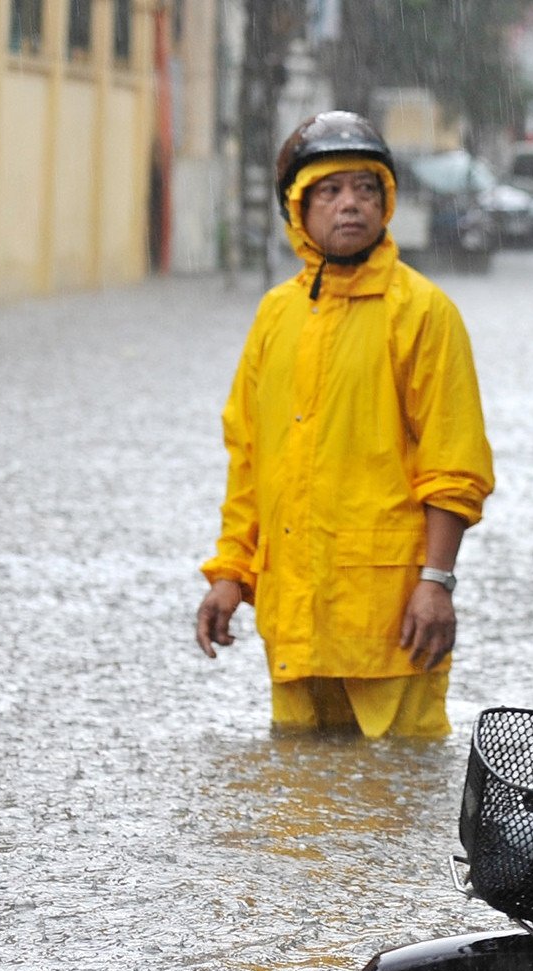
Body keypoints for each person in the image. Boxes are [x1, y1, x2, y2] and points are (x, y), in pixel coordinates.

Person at [194, 111, 495, 737]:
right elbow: (249, 459)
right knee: (302, 806)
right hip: (292, 616)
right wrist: (230, 575)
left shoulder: (423, 313)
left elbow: (455, 464)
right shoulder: (275, 316)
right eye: (329, 191)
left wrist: (435, 583)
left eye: (365, 188)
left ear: (386, 202)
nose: (349, 204)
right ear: (298, 211)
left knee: (395, 796)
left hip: (391, 618)